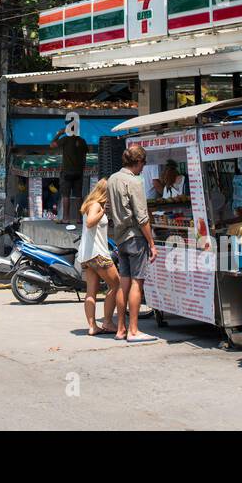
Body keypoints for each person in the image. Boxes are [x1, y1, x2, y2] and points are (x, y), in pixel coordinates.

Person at [107, 144, 159, 344]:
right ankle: (134, 330)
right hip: (135, 237)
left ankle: (120, 329)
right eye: (143, 163)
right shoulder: (135, 181)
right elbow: (142, 216)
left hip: (120, 236)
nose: (143, 168)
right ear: (137, 162)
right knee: (137, 282)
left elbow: (108, 207)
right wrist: (151, 242)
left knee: (124, 283)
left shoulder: (112, 179)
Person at [76, 179, 119, 336]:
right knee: (117, 285)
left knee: (91, 291)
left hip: (87, 255)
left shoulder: (90, 204)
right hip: (98, 254)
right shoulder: (96, 205)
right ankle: (107, 322)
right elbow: (89, 223)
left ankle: (93, 326)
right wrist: (103, 211)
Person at [51, 125, 89, 208]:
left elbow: (52, 145)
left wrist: (59, 133)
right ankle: (79, 219)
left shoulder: (65, 139)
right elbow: (85, 156)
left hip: (67, 171)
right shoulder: (82, 141)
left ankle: (66, 219)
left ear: (68, 131)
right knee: (79, 196)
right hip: (79, 172)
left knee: (66, 196)